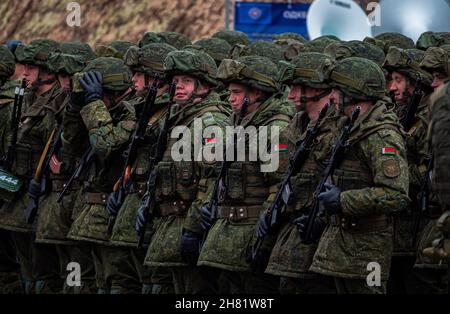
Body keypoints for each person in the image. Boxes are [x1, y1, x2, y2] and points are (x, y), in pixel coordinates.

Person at [307, 57, 409, 294]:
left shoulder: (381, 136)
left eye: (336, 90)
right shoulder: (347, 127)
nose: (331, 96)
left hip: (367, 249)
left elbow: (396, 195)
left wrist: (343, 200)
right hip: (340, 245)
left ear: (353, 92)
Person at [197, 55, 295, 294]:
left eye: (237, 93)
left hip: (253, 232)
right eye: (230, 92)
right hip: (227, 232)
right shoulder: (237, 124)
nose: (230, 98)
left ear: (258, 93)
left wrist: (265, 239)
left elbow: (279, 187)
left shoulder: (274, 128)